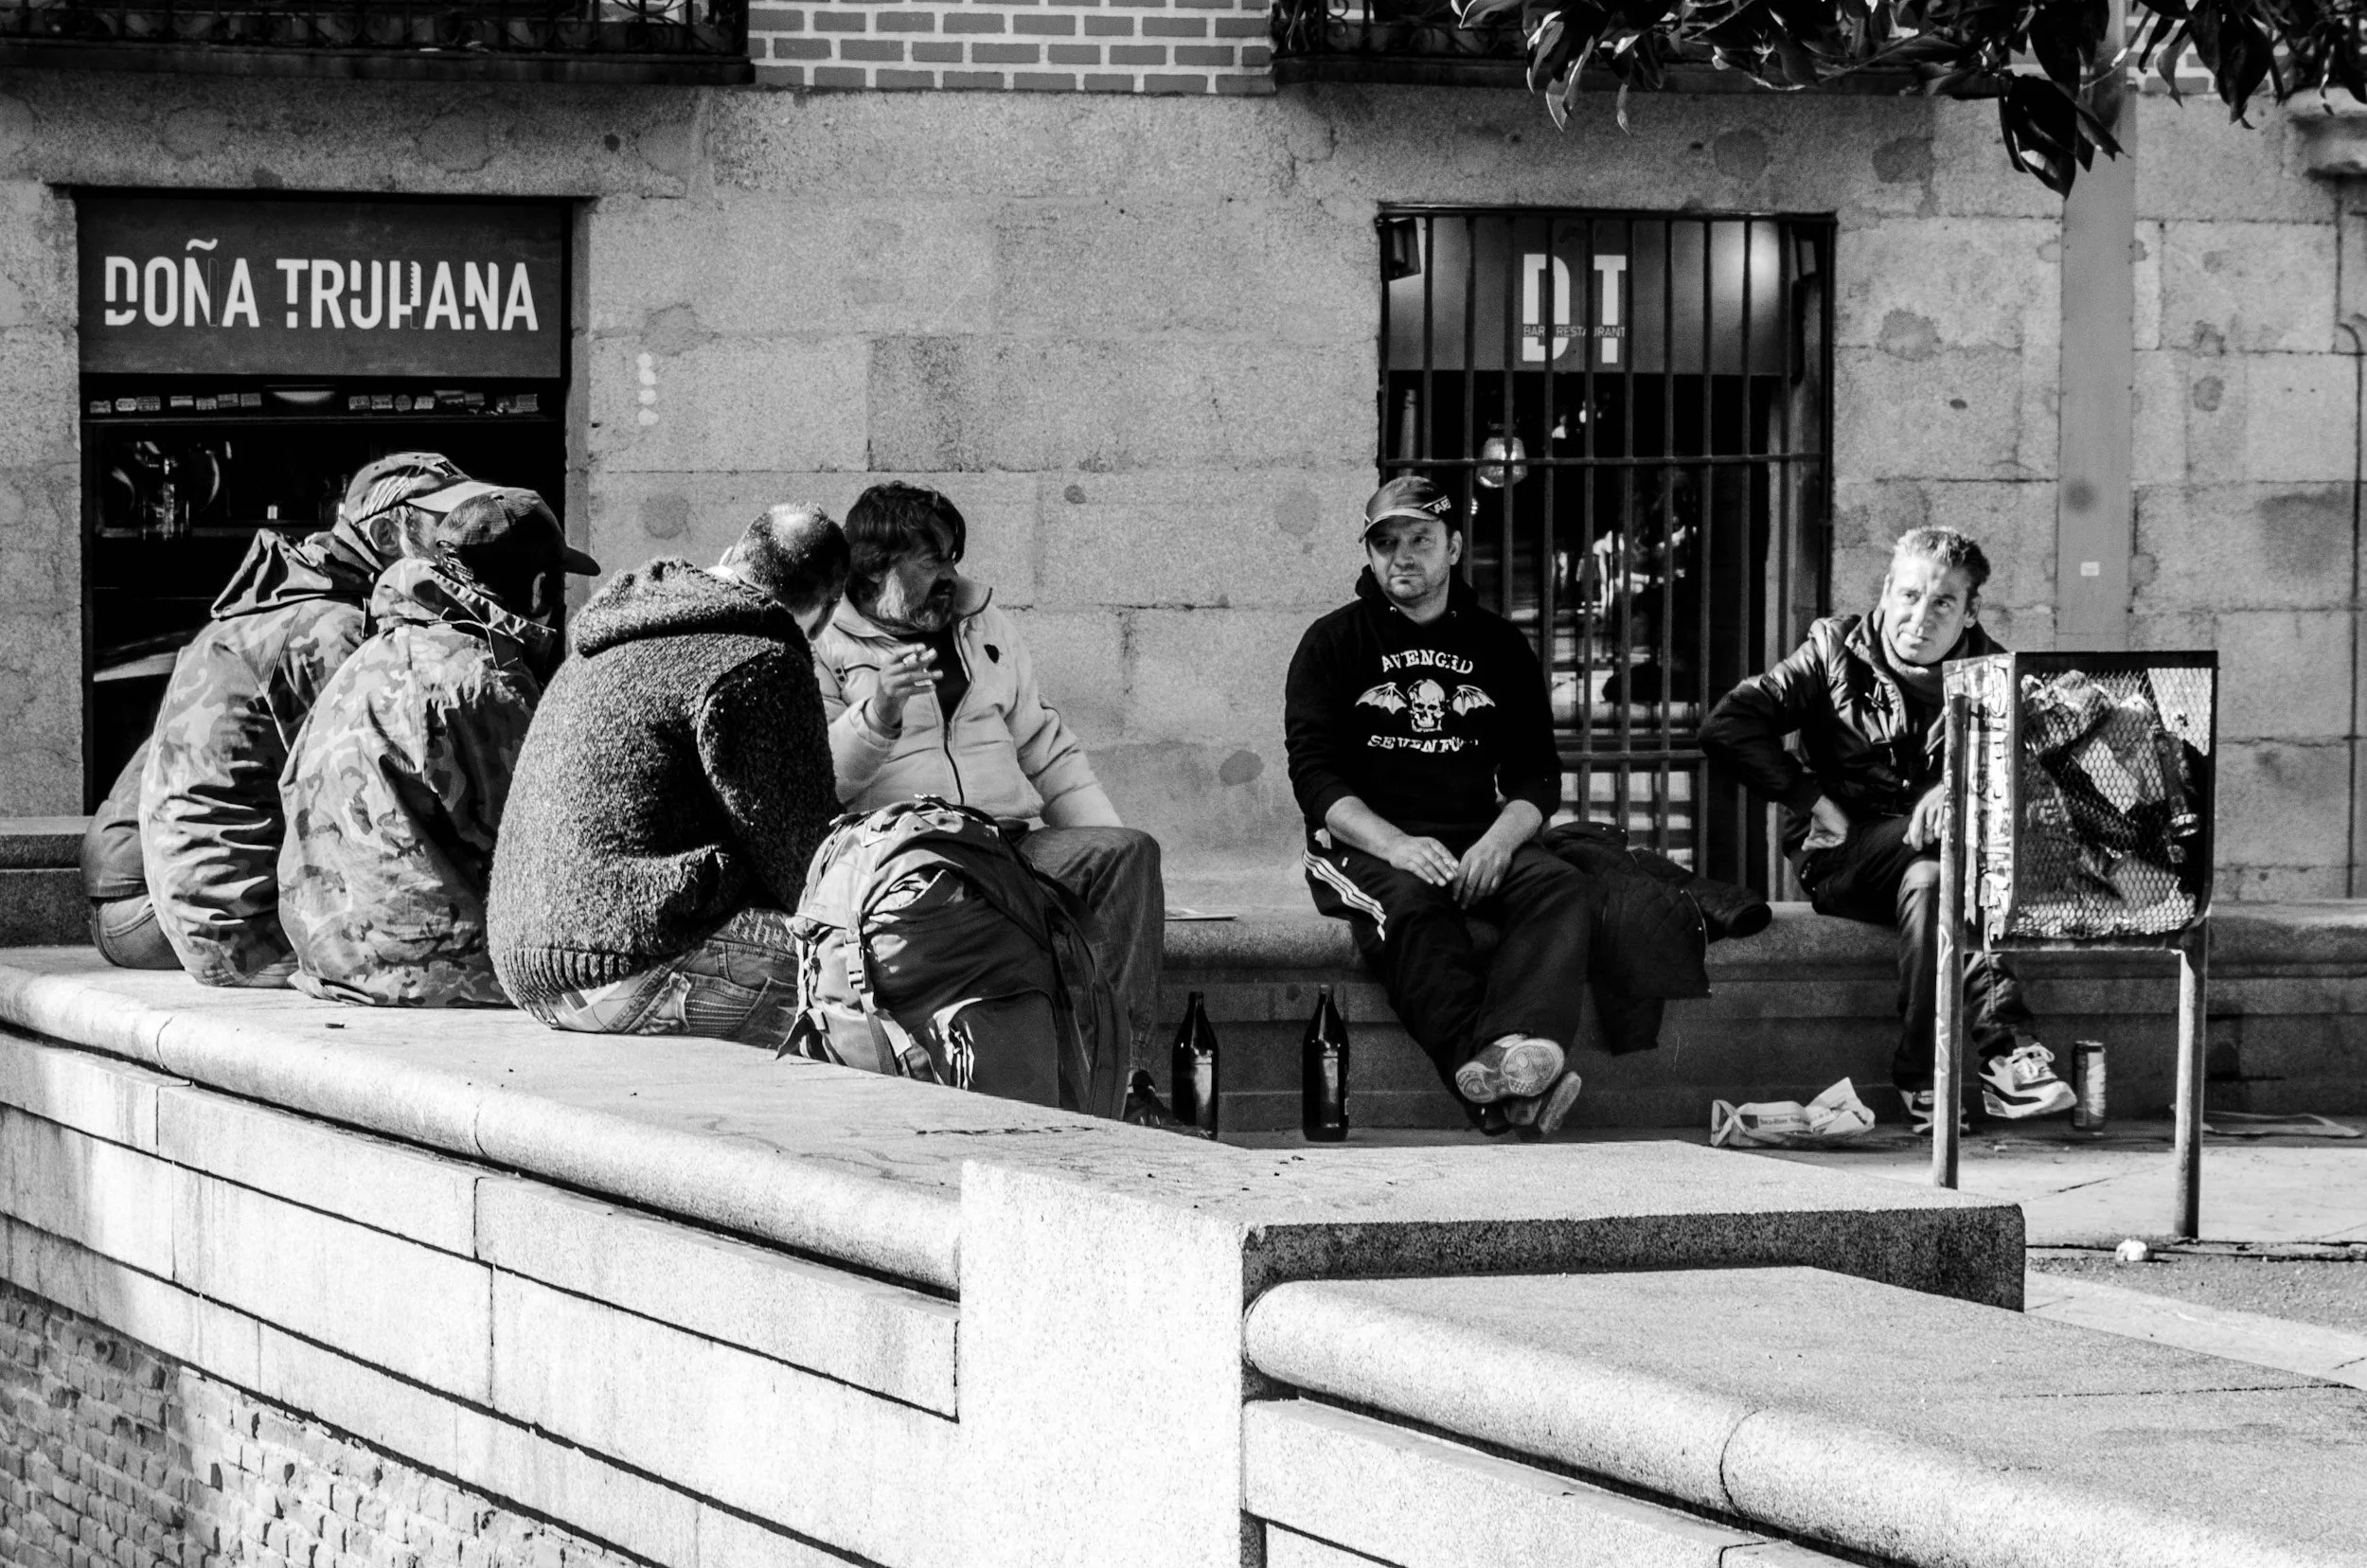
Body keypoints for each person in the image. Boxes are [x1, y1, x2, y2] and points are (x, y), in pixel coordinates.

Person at [1700, 526, 2073, 1131]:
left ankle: (1921, 1077)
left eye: (1942, 603)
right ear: (1886, 591)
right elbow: (1728, 723)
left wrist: (1956, 793)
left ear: (1970, 611)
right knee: (1946, 864)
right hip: (1842, 854)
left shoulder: (1994, 679)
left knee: (1933, 878)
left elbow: (2032, 779)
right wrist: (1811, 798)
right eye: (1907, 596)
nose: (1919, 618)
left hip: (1936, 867)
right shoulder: (1832, 651)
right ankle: (2006, 1052)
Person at [811, 482, 1166, 1077]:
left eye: (953, 557)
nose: (950, 575)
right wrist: (880, 713)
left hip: (1009, 844)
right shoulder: (826, 641)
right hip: (918, 852)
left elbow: (1045, 746)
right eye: (932, 560)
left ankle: (1121, 1077)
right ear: (876, 568)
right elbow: (824, 779)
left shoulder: (983, 624)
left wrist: (1103, 842)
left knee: (1127, 854)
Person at [1283, 476, 1590, 1136]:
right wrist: (1395, 845)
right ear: (1369, 556)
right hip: (1364, 849)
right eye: (1385, 542)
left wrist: (1501, 842)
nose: (1402, 555)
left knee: (1560, 886)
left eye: (1419, 538)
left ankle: (1515, 1048)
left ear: (1453, 547)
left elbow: (1537, 775)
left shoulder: (1499, 646)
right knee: (1414, 910)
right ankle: (1488, 1087)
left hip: (1475, 838)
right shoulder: (1332, 643)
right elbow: (1314, 777)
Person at [489, 505, 847, 1045]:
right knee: (875, 971)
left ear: (727, 559)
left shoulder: (607, 638)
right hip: (627, 966)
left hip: (527, 964)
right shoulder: (761, 659)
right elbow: (805, 868)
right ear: (825, 612)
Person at [135, 453, 469, 986]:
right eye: (446, 529)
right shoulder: (329, 627)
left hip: (209, 912)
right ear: (386, 534)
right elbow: (367, 799)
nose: (463, 542)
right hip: (245, 935)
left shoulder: (304, 595)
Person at [277, 484, 598, 1007]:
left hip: (333, 961)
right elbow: (545, 846)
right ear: (541, 588)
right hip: (440, 975)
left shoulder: (368, 656)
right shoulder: (479, 677)